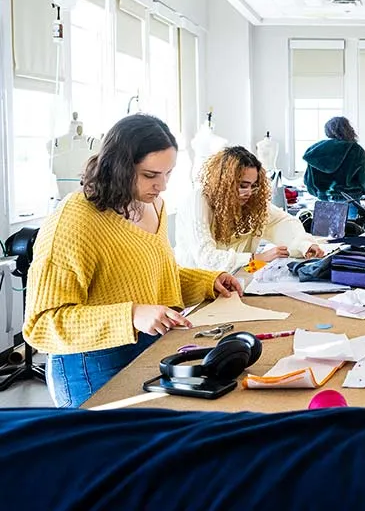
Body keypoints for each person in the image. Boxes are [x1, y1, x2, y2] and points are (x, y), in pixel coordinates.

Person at [23, 114, 243, 408]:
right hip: (91, 364)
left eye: (168, 173)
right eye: (150, 175)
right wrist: (130, 315)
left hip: (150, 348)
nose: (162, 185)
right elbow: (42, 324)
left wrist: (207, 281)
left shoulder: (153, 204)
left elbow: (146, 273)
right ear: (118, 167)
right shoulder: (74, 220)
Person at [176, 146, 324, 273]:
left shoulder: (250, 203)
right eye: (243, 185)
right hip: (197, 290)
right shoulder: (198, 200)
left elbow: (282, 221)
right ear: (224, 183)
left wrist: (305, 245)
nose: (249, 192)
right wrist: (256, 259)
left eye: (253, 186)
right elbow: (206, 258)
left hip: (235, 279)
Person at [303, 117, 365, 201]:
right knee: (352, 215)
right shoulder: (356, 150)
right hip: (350, 200)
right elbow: (363, 180)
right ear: (349, 129)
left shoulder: (314, 150)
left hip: (324, 201)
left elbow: (309, 182)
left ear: (327, 131)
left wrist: (319, 194)